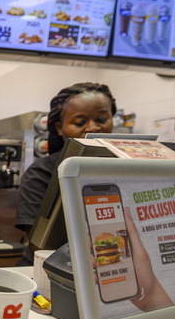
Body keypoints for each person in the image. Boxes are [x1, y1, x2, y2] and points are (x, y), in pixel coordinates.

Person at [15, 82, 117, 265]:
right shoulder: (41, 174)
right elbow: (42, 248)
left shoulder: (126, 167)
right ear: (60, 128)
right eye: (80, 122)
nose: (93, 128)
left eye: (101, 120)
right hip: (50, 273)